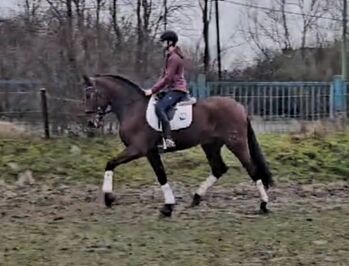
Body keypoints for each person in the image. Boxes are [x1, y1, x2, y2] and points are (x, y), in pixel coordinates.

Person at [144, 30, 189, 149]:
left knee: (160, 107)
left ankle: (168, 138)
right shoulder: (169, 57)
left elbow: (168, 78)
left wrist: (153, 90)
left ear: (170, 42)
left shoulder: (173, 58)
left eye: (164, 42)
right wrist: (156, 89)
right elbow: (163, 77)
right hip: (171, 88)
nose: (162, 44)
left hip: (177, 89)